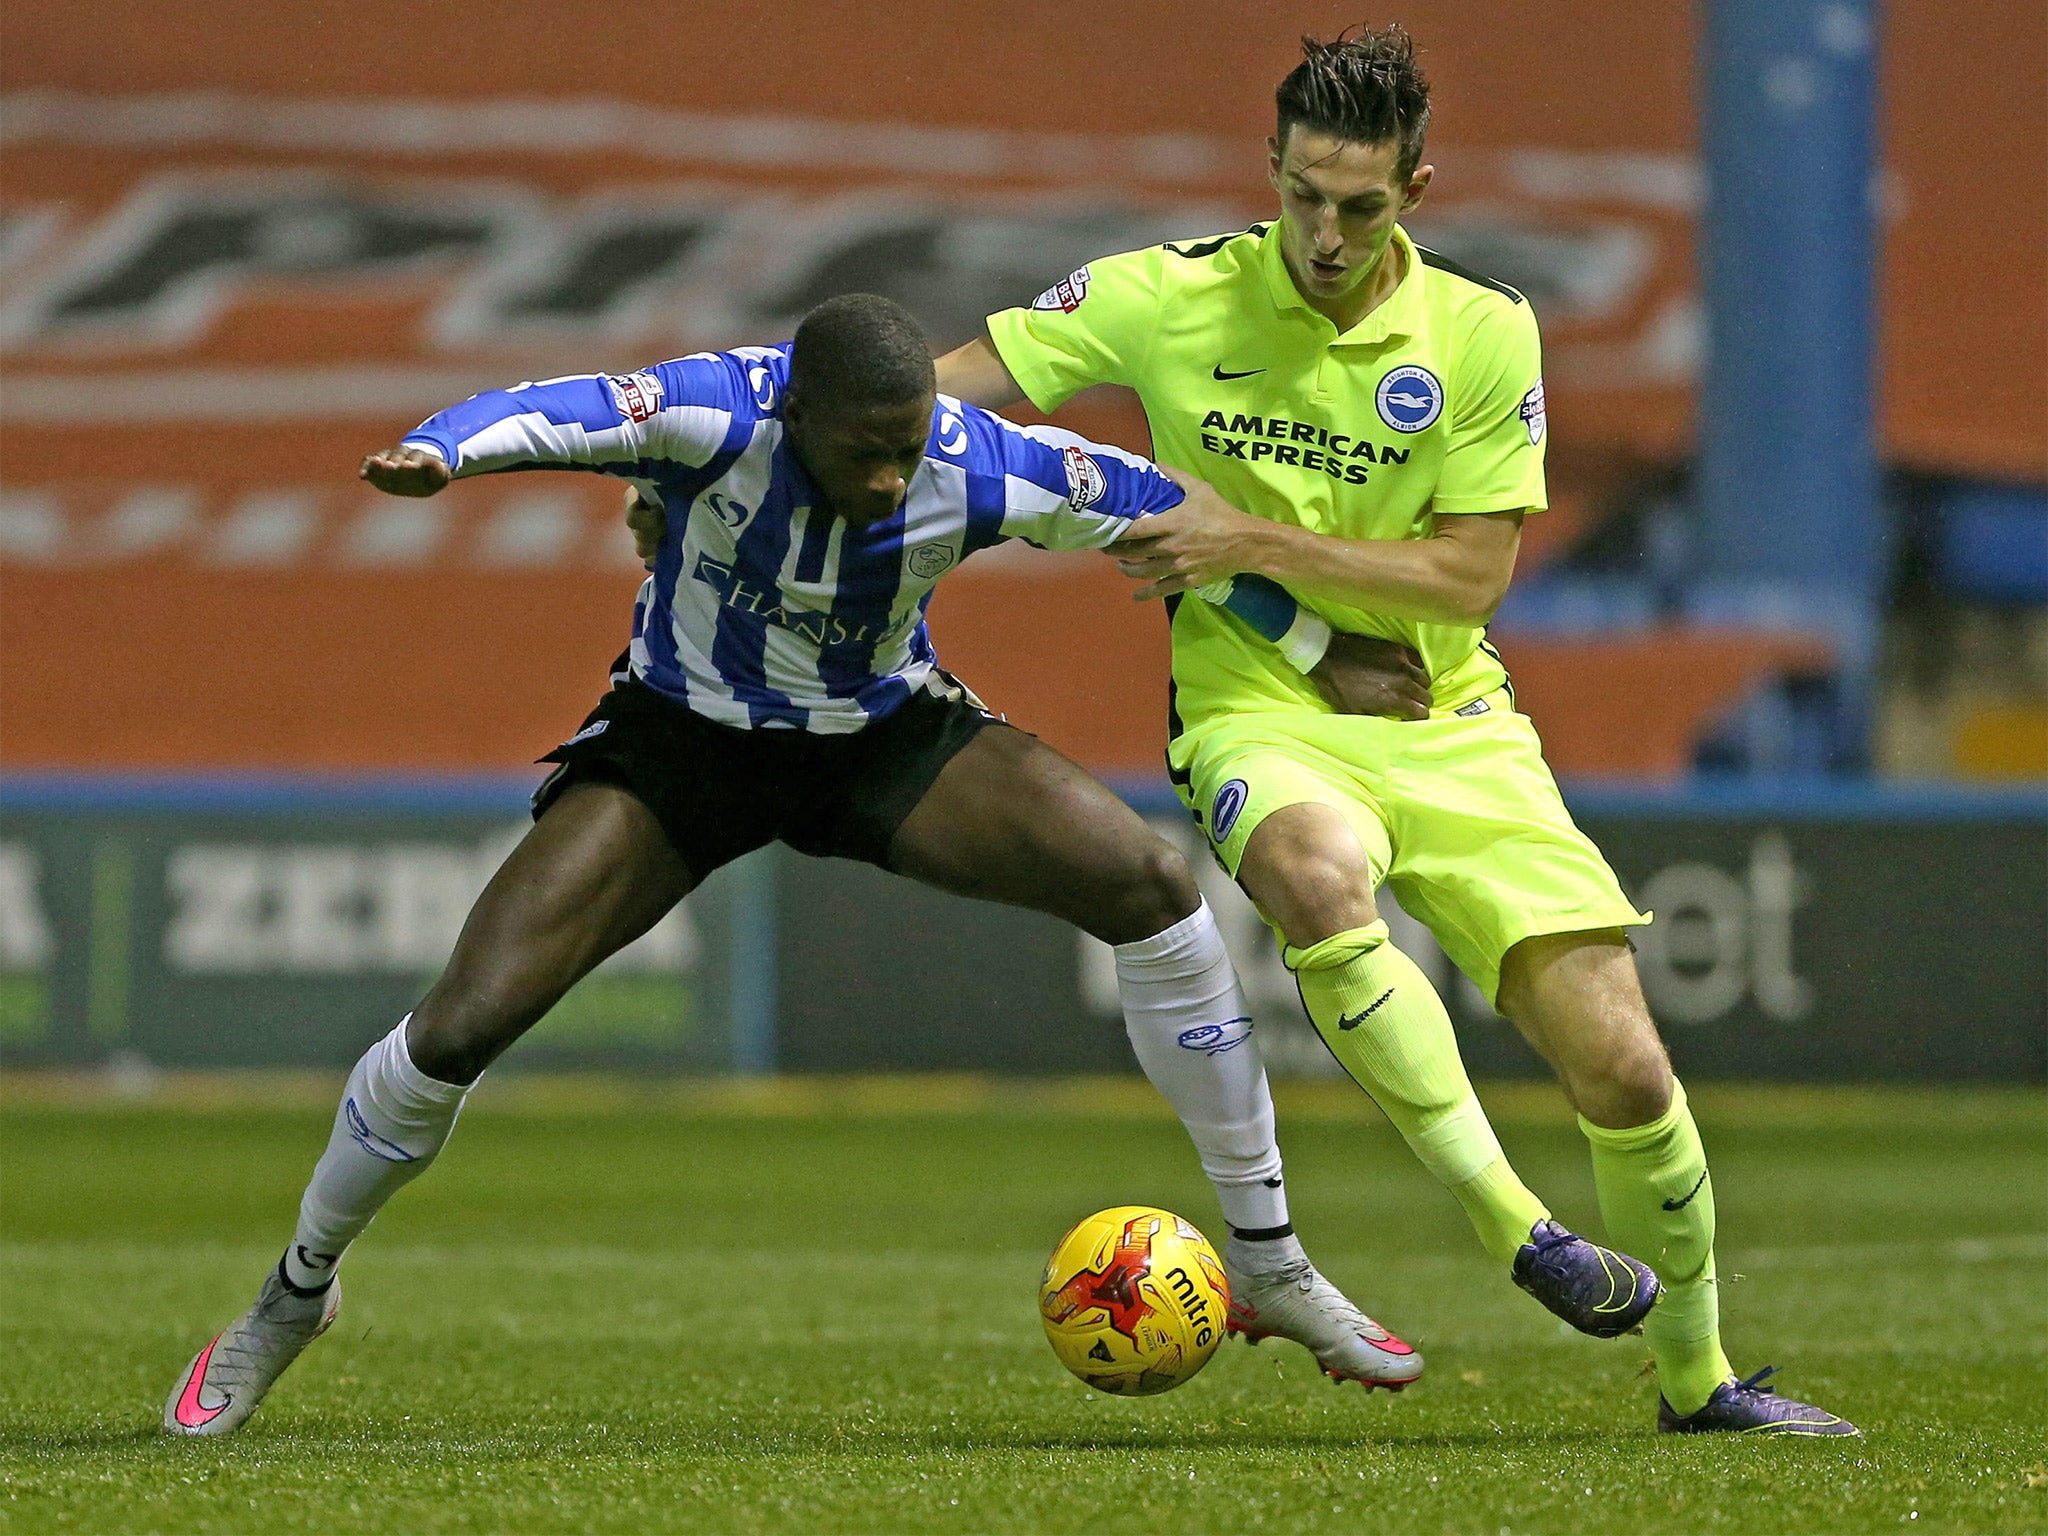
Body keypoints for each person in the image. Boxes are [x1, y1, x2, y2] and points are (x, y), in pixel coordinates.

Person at [165, 291, 1598, 1438]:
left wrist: (1314, 650)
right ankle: (291, 1299)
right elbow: (549, 411)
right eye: (865, 450)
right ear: (798, 417)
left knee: (1152, 891)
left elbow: (1179, 529)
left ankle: (1272, 1267)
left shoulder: (977, 460)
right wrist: (440, 452)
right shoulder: (717, 409)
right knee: (458, 1027)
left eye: (910, 443)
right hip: (686, 742)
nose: (894, 472)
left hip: (878, 737)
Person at [930, 29, 1855, 1436]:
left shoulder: (1484, 333)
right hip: (1257, 707)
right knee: (1310, 874)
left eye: (1360, 205)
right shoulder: (1168, 297)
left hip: (1452, 718)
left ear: (1416, 188)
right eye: (1305, 194)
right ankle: (1517, 1230)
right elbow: (964, 377)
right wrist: (810, 436)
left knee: (1626, 1066)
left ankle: (1700, 1383)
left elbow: (1469, 578)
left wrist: (1249, 534)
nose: (1324, 232)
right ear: (1274, 172)